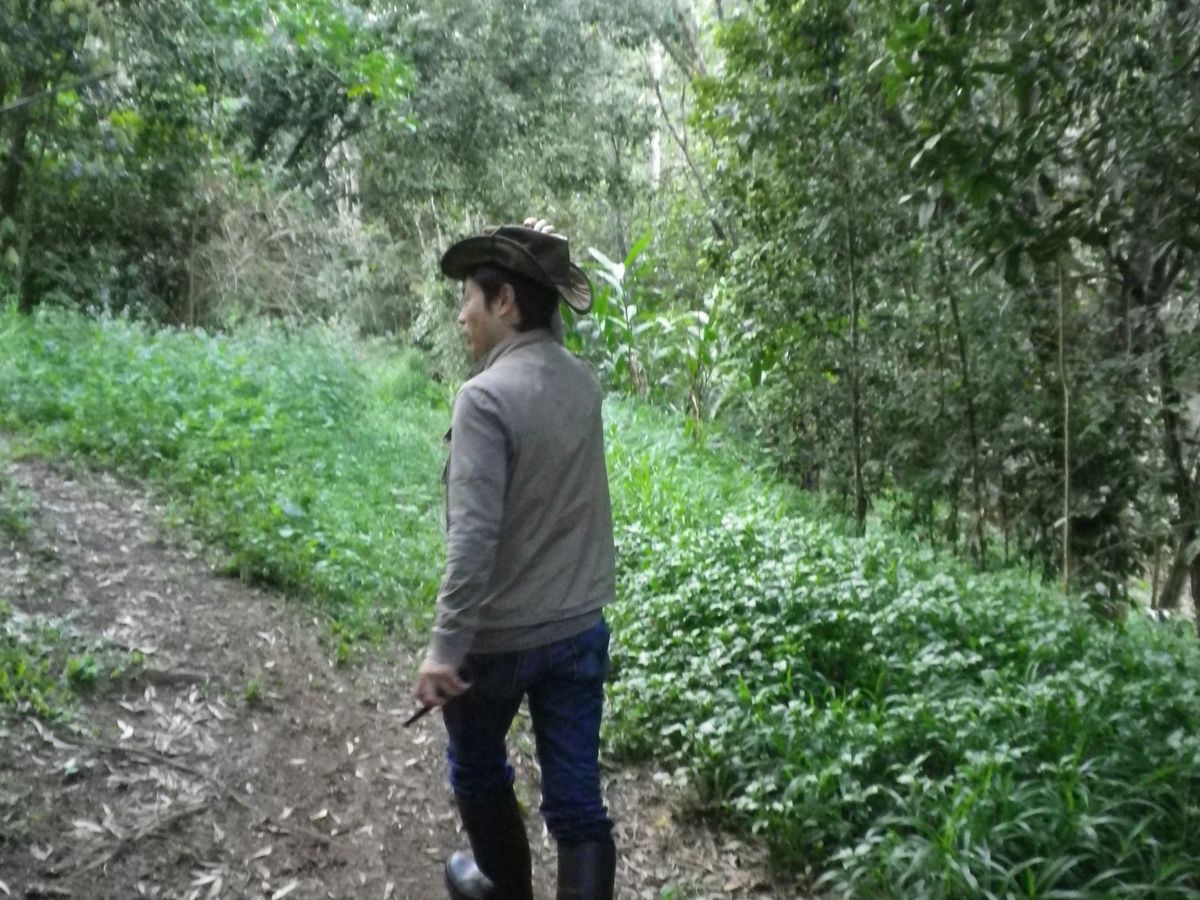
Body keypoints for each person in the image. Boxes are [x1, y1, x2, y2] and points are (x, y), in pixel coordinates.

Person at [412, 218, 618, 900]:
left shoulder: (484, 398)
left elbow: (472, 541)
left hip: (496, 643)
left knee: (477, 771)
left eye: (468, 298)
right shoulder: (581, 383)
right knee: (578, 803)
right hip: (578, 629)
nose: (460, 315)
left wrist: (444, 650)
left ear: (505, 302)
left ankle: (503, 889)